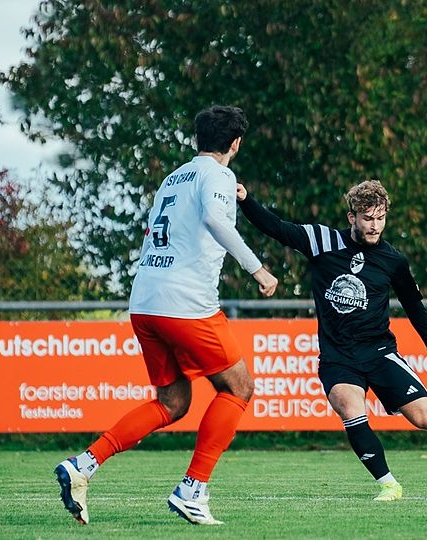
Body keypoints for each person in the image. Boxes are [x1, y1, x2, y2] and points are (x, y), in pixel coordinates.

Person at [54, 105, 278, 526]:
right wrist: (257, 268)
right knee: (239, 387)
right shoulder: (219, 174)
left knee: (173, 403)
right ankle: (193, 489)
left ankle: (83, 465)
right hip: (185, 303)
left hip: (145, 302)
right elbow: (214, 219)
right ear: (235, 143)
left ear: (198, 139)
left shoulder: (174, 178)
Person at [236, 179, 427, 501]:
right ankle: (389, 484)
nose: (375, 226)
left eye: (380, 218)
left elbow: (413, 304)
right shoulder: (322, 241)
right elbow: (275, 227)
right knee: (349, 407)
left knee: (426, 418)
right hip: (338, 357)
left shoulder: (392, 260)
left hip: (380, 352)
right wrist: (246, 200)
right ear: (352, 217)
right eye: (368, 218)